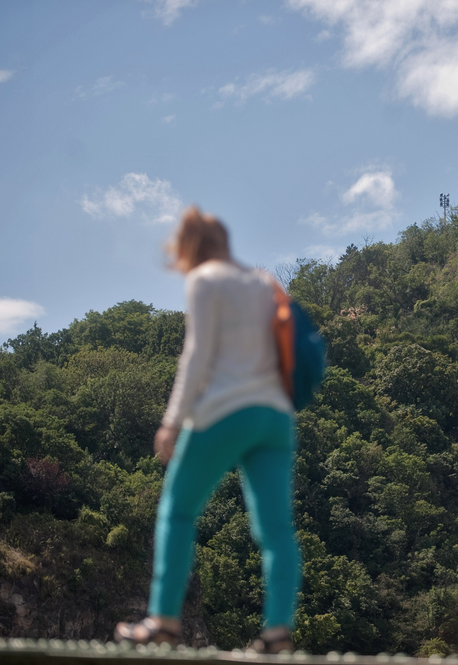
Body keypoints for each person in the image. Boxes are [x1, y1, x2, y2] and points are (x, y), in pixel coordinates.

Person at [115, 207, 300, 653]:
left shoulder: (204, 280)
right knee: (276, 529)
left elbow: (196, 356)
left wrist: (171, 421)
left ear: (191, 248)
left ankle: (162, 619)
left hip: (224, 412)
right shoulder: (262, 282)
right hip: (275, 417)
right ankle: (277, 631)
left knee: (177, 512)